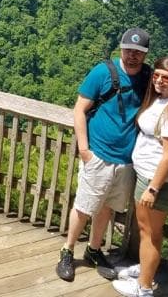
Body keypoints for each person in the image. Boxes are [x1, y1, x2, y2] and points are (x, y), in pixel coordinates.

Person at [56, 28, 152, 282]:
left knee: (107, 207)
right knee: (84, 206)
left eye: (138, 52)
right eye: (128, 50)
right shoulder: (102, 72)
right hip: (98, 154)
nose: (132, 56)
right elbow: (79, 109)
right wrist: (85, 150)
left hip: (126, 160)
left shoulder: (148, 77)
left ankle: (94, 250)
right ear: (120, 49)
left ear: (145, 55)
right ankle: (67, 251)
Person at [112, 57, 168, 297]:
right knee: (148, 230)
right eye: (157, 75)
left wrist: (153, 189)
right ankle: (145, 269)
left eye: (167, 77)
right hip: (149, 175)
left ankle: (144, 287)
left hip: (157, 181)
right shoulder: (162, 100)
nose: (160, 80)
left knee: (149, 232)